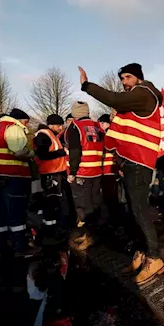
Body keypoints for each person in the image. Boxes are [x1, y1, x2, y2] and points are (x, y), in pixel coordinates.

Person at [78, 63, 164, 284]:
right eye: (122, 79)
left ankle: (154, 257)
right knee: (133, 211)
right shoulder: (137, 98)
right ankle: (143, 253)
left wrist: (87, 85)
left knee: (139, 210)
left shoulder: (144, 93)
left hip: (139, 162)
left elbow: (114, 99)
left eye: (127, 77)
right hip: (130, 162)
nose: (124, 82)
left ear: (138, 77)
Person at [0, 108, 39, 261]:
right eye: (26, 122)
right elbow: (19, 152)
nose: (26, 126)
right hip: (12, 177)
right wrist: (33, 154)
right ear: (19, 120)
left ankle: (0, 248)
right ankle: (20, 247)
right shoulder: (13, 128)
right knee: (16, 214)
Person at [66, 101, 105, 250]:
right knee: (95, 202)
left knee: (82, 205)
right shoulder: (97, 125)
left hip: (83, 171)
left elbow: (75, 151)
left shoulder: (75, 127)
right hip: (97, 170)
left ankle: (86, 237)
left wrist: (73, 172)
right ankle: (97, 233)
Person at [32, 114, 70, 245]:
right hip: (50, 174)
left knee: (54, 202)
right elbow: (43, 155)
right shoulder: (44, 136)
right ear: (53, 125)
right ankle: (49, 230)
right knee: (51, 201)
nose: (61, 128)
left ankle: (52, 228)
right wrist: (62, 152)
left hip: (55, 173)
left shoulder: (49, 135)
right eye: (59, 125)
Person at [97, 113, 124, 227]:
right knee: (114, 196)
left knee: (110, 197)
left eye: (101, 123)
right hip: (112, 169)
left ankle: (115, 220)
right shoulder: (115, 133)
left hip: (107, 170)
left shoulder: (107, 135)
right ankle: (117, 218)